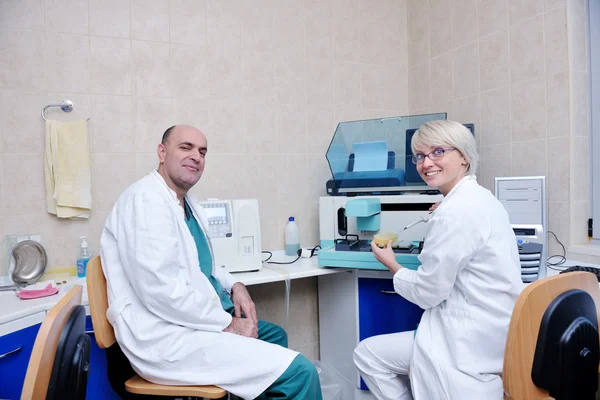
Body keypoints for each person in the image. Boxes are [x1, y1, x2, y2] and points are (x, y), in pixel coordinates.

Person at [100, 125, 322, 400]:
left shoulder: (186, 202)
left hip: (192, 322)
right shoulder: (146, 201)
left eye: (202, 151)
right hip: (167, 337)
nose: (196, 156)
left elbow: (207, 264)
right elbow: (161, 292)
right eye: (186, 147)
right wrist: (227, 324)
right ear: (161, 152)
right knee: (300, 373)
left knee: (273, 335)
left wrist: (236, 285)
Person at [353, 120, 524, 400]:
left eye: (438, 152)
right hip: (495, 330)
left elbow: (428, 293)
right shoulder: (482, 198)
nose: (425, 163)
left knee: (367, 355)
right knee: (372, 353)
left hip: (466, 344)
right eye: (420, 156)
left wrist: (392, 264)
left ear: (465, 157)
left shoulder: (454, 212)